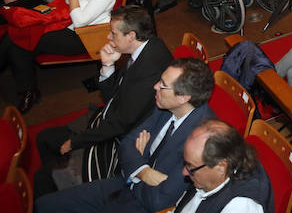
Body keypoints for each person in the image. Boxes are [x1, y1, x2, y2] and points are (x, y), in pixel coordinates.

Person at [35, 57, 216, 213]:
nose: (155, 87)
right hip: (123, 182)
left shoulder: (202, 142)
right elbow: (127, 143)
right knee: (43, 205)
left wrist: (137, 164)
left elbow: (158, 201)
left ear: (183, 97)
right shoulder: (167, 104)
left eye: (163, 85)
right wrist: (143, 172)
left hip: (141, 205)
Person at [33, 6, 172, 195]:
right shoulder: (146, 47)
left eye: (113, 33)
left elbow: (120, 123)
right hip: (110, 119)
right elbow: (114, 98)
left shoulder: (149, 68)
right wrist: (107, 66)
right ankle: (61, 176)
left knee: (42, 176)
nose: (108, 37)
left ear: (131, 35)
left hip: (121, 138)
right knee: (44, 139)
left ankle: (63, 187)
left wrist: (75, 142)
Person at [0, 0, 116, 112]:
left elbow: (80, 22)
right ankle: (28, 90)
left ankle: (29, 91)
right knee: (19, 34)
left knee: (21, 41)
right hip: (64, 24)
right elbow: (68, 3)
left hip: (83, 37)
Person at [173, 119, 274, 212]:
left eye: (191, 167)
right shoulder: (206, 173)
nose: (184, 172)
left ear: (221, 167)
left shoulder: (239, 207)